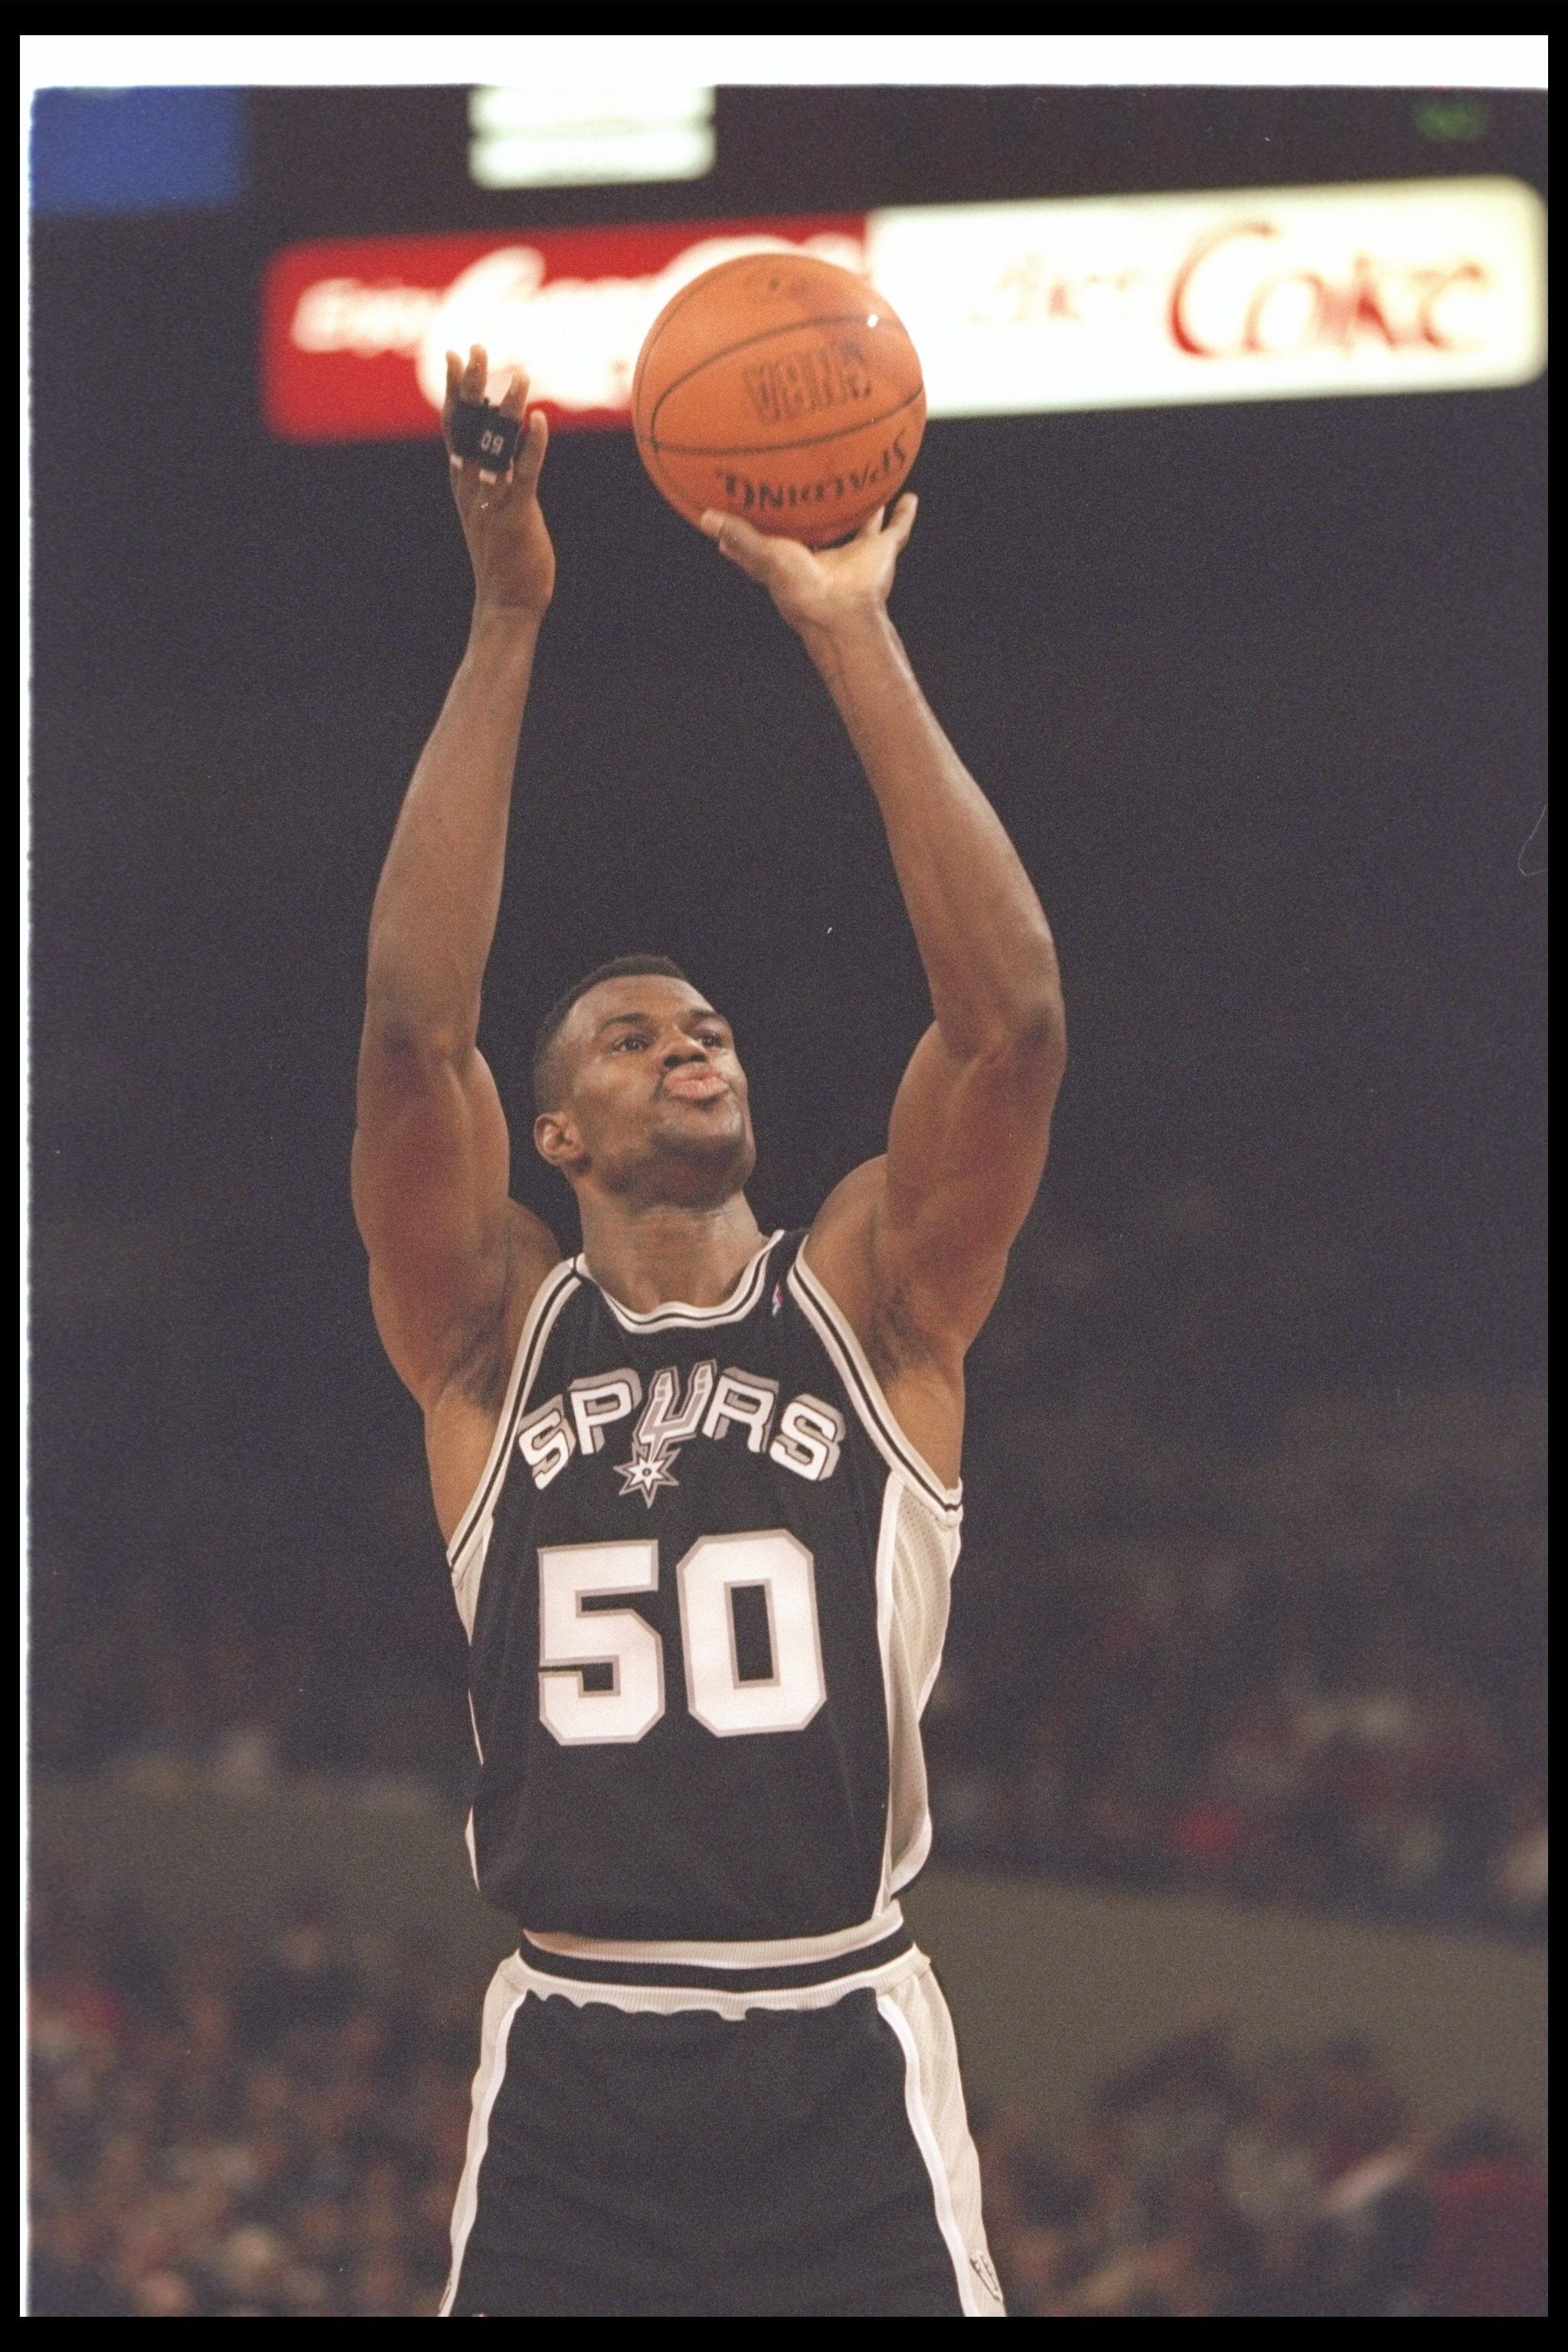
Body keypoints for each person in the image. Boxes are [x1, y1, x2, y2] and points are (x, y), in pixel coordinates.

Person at [351, 345, 1067, 2318]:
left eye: (712, 1024)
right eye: (633, 1031)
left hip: (838, 2043)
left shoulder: (876, 1302)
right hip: (578, 2062)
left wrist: (851, 632)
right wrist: (508, 615)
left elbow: (1009, 1027)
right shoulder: (495, 1342)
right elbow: (414, 1039)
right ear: (554, 1129)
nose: (694, 1037)